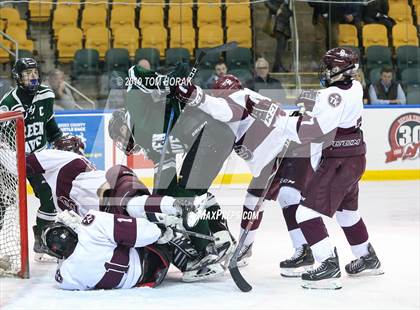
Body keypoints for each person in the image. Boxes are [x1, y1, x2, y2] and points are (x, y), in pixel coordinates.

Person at [247, 47, 384, 289]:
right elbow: (328, 115)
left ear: (340, 70)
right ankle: (367, 257)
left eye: (329, 66)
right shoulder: (355, 87)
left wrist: (278, 121)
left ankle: (328, 265)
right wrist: (307, 109)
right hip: (355, 157)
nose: (325, 70)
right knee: (347, 212)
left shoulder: (333, 95)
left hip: (337, 161)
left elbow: (312, 131)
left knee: (305, 213)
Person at [108, 62, 237, 276]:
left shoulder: (136, 109)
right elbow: (166, 177)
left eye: (119, 135)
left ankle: (207, 253)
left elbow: (134, 73)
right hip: (215, 138)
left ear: (123, 125)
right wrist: (160, 201)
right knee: (192, 192)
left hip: (210, 132)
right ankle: (223, 238)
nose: (122, 141)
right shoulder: (148, 143)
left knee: (187, 194)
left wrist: (167, 80)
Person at [25, 147, 226, 282]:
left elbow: (24, 162)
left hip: (108, 189)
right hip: (106, 204)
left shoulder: (65, 158)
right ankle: (194, 261)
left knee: (130, 206)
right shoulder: (59, 193)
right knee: (156, 233)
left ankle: (176, 205)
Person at [0, 58, 82, 261]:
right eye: (28, 73)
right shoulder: (9, 104)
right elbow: (3, 138)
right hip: (13, 159)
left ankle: (42, 240)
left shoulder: (46, 94)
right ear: (18, 77)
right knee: (3, 202)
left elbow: (50, 125)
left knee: (50, 197)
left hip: (40, 157)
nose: (33, 77)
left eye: (35, 72)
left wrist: (60, 141)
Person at [41, 209, 202, 290]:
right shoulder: (93, 225)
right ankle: (192, 258)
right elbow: (145, 233)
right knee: (122, 212)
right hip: (156, 256)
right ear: (69, 231)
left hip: (148, 280)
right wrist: (159, 230)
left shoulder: (65, 277)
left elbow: (67, 259)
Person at [265, 0, 292, 72]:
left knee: (283, 46)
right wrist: (276, 10)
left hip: (285, 22)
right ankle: (277, 67)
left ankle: (277, 66)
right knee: (280, 45)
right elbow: (266, 2)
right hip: (278, 21)